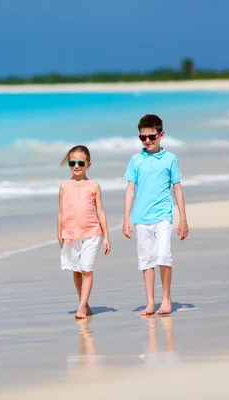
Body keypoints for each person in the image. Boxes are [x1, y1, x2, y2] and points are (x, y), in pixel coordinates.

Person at [123, 114, 188, 316]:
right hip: (141, 218)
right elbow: (130, 189)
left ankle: (166, 298)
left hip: (163, 216)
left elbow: (177, 188)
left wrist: (183, 219)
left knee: (163, 256)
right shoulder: (136, 160)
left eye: (151, 137)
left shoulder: (170, 159)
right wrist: (126, 218)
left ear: (161, 135)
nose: (148, 141)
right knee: (146, 260)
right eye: (143, 137)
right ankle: (150, 302)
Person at [58, 145, 111, 319]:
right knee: (77, 270)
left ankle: (81, 307)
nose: (76, 166)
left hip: (92, 233)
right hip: (71, 235)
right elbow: (61, 212)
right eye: (72, 162)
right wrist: (60, 232)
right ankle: (84, 302)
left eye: (81, 162)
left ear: (88, 164)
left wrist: (106, 237)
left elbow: (100, 212)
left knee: (86, 269)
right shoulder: (64, 186)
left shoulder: (93, 186)